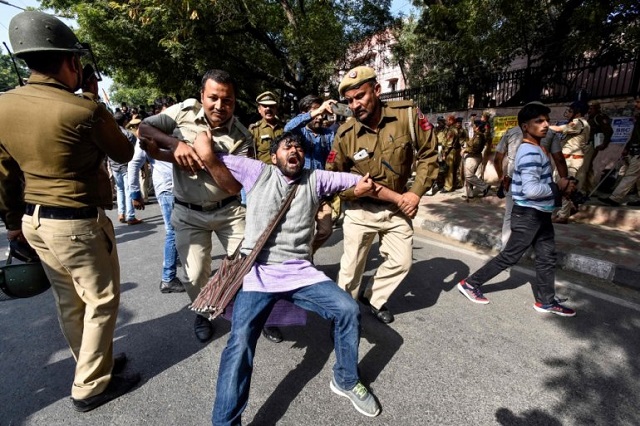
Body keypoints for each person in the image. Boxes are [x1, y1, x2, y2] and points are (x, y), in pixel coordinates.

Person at [180, 131, 398, 423]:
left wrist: (385, 193)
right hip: (258, 275)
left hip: (300, 273)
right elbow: (209, 155)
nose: (294, 150)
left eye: (298, 146)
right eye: (287, 146)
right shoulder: (257, 171)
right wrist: (198, 143)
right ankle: (225, 422)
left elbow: (356, 182)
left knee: (347, 310)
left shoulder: (316, 178)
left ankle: (345, 379)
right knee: (240, 342)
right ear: (274, 156)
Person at [0, 11, 140, 412]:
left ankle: (93, 365)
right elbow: (123, 151)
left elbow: (5, 175)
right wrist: (94, 100)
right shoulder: (83, 111)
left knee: (69, 302)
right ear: (71, 62)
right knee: (101, 300)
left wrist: (13, 226)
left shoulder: (2, 107)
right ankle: (91, 386)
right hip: (76, 222)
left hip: (34, 221)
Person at [138, 69, 289, 344]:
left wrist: (208, 155)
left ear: (234, 101)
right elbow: (144, 128)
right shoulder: (182, 111)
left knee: (256, 263)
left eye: (227, 100)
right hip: (187, 212)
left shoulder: (242, 136)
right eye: (213, 98)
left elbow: (234, 186)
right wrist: (175, 145)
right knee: (196, 274)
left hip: (229, 210)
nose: (220, 106)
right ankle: (205, 313)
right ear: (202, 96)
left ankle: (264, 315)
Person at [326, 66, 438, 324]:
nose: (355, 105)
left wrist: (415, 193)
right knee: (351, 269)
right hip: (360, 210)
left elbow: (429, 155)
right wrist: (355, 190)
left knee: (402, 262)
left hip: (397, 206)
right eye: (349, 100)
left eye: (360, 96)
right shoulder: (345, 135)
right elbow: (331, 180)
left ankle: (374, 297)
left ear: (376, 91)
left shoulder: (407, 115)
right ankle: (342, 318)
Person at [457, 101, 577, 317]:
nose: (545, 125)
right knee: (510, 256)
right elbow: (531, 190)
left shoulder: (537, 148)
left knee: (547, 256)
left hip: (538, 213)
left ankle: (546, 301)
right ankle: (470, 283)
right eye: (538, 121)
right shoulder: (529, 152)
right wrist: (557, 186)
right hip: (529, 214)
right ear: (525, 126)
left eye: (547, 120)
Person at [127, 116, 185, 293]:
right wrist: (135, 192)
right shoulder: (148, 136)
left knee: (179, 230)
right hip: (168, 189)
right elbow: (134, 163)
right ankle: (168, 278)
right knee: (173, 232)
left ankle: (174, 259)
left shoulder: (175, 131)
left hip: (179, 188)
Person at [494, 125, 568, 248]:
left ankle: (506, 249)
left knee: (510, 216)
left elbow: (498, 158)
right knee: (540, 217)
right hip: (541, 184)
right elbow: (559, 159)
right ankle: (537, 250)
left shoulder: (511, 132)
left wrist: (502, 177)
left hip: (514, 182)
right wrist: (565, 181)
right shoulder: (549, 133)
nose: (546, 123)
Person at [285, 94, 338, 252]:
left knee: (326, 230)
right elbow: (287, 128)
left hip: (322, 193)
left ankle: (308, 253)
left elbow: (337, 153)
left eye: (322, 112)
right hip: (302, 192)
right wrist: (316, 111)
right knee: (301, 233)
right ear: (305, 114)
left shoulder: (328, 134)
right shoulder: (298, 133)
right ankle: (300, 261)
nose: (320, 116)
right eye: (316, 112)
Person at [549, 101, 590, 223]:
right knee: (564, 185)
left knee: (565, 186)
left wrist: (542, 125)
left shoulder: (578, 123)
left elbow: (559, 129)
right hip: (569, 158)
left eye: (571, 111)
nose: (568, 113)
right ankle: (570, 207)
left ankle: (563, 215)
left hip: (571, 159)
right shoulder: (582, 123)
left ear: (577, 113)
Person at [599, 95, 640, 207]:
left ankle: (615, 198)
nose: (636, 104)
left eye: (638, 102)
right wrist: (627, 148)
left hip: (638, 153)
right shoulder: (638, 118)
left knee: (630, 175)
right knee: (637, 176)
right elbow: (634, 136)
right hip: (634, 151)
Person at [109, 112, 143, 225]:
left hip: (114, 166)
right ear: (124, 122)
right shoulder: (128, 135)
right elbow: (135, 152)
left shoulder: (108, 135)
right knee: (128, 190)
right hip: (126, 165)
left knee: (120, 190)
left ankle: (121, 213)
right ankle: (130, 216)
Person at [580, 100, 614, 193]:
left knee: (584, 167)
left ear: (597, 108)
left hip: (592, 144)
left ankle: (582, 189)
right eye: (589, 108)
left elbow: (608, 131)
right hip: (587, 144)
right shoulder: (591, 118)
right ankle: (590, 188)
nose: (589, 110)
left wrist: (604, 144)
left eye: (591, 108)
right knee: (588, 167)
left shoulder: (599, 117)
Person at [248, 91, 284, 162]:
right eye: (265, 106)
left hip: (282, 170)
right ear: (259, 110)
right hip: (264, 170)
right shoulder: (255, 130)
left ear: (276, 109)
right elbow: (250, 156)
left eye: (271, 106)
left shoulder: (284, 128)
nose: (268, 109)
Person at [462, 120, 490, 199]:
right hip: (472, 156)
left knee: (468, 175)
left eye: (474, 125)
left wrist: (465, 150)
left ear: (477, 127)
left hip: (473, 157)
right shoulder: (476, 135)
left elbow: (475, 148)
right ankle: (469, 193)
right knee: (469, 174)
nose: (473, 126)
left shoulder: (478, 136)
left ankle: (485, 186)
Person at [441, 115, 462, 193]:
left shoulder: (451, 130)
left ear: (451, 121)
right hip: (454, 151)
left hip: (450, 151)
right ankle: (453, 184)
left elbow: (449, 143)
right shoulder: (454, 129)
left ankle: (448, 187)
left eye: (448, 120)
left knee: (449, 169)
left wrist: (444, 154)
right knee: (453, 169)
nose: (446, 122)